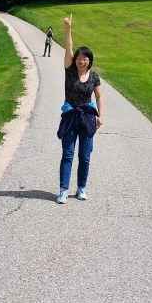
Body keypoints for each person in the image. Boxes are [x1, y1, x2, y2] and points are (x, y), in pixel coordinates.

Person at [57, 14, 104, 203]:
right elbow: (68, 47)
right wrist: (68, 28)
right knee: (67, 155)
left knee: (85, 156)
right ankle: (63, 190)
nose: (81, 61)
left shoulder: (94, 77)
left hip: (87, 119)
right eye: (79, 58)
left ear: (90, 61)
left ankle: (81, 188)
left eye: (85, 59)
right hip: (70, 116)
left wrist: (101, 116)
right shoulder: (69, 71)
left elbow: (99, 96)